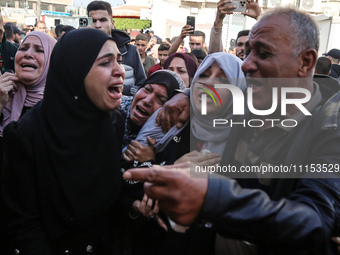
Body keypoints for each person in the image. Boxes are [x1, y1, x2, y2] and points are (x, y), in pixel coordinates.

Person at [124, 7, 340, 255]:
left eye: (264, 54)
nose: (246, 65)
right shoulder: (246, 105)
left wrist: (210, 194)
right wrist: (183, 94)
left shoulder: (328, 132)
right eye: (247, 52)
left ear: (306, 62)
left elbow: (315, 221)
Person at [2, 28, 126, 255]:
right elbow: (25, 225)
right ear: (74, 70)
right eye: (106, 63)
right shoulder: (25, 135)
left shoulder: (114, 122)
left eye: (119, 60)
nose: (120, 70)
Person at [87, 0, 146, 96]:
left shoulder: (130, 51)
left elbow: (143, 87)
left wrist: (123, 88)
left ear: (112, 23)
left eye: (103, 20)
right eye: (93, 21)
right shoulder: (80, 51)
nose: (97, 25)